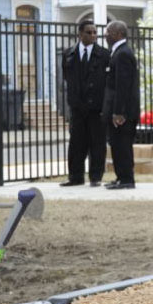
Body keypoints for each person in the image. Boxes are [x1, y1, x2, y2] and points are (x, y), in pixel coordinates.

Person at [60, 19, 110, 186]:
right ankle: (75, 176)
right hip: (77, 108)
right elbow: (68, 78)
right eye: (89, 32)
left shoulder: (104, 54)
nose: (93, 35)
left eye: (95, 32)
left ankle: (96, 177)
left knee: (97, 143)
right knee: (76, 143)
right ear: (80, 34)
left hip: (96, 108)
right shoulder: (69, 54)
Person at [102, 20, 140, 190]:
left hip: (123, 113)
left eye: (108, 32)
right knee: (117, 145)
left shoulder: (123, 53)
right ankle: (121, 177)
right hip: (118, 111)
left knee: (123, 145)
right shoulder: (117, 52)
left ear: (118, 34)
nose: (105, 35)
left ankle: (126, 179)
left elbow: (122, 86)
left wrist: (119, 112)